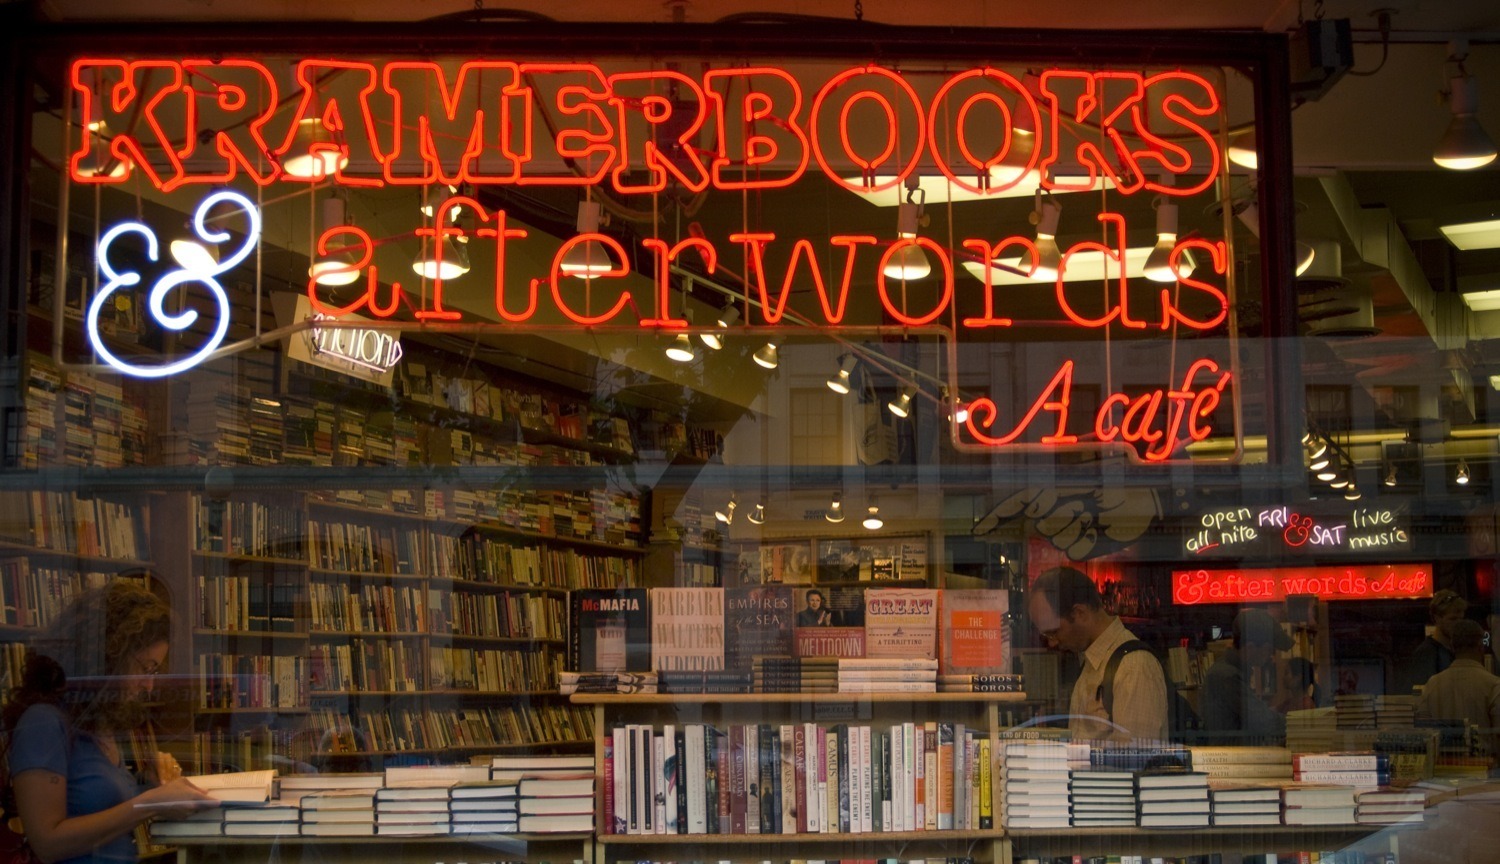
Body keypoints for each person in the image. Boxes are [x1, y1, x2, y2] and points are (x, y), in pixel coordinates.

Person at [2, 579, 218, 864]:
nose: (148, 686)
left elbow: (99, 806)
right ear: (108, 659)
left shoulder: (95, 722)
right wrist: (150, 803)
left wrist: (148, 784)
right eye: (145, 668)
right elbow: (47, 843)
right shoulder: (44, 723)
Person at [1027, 566, 1167, 742]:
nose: (1052, 642)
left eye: (1054, 632)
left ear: (1080, 613)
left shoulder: (1133, 665)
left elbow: (1134, 757)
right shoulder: (1092, 659)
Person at [1199, 608, 1296, 744]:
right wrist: (1302, 723)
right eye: (1269, 649)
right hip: (1232, 760)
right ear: (1250, 648)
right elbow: (1261, 720)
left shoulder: (1228, 672)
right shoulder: (1227, 676)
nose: (1272, 656)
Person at [1415, 619, 1500, 764]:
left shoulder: (1432, 684)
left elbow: (1422, 733)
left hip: (1441, 771)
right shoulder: (1493, 685)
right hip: (1483, 771)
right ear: (1481, 646)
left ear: (1452, 647)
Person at [1396, 590, 1468, 694]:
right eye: (1452, 619)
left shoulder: (1454, 651)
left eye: (1460, 619)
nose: (1458, 624)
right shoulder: (1426, 654)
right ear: (1437, 618)